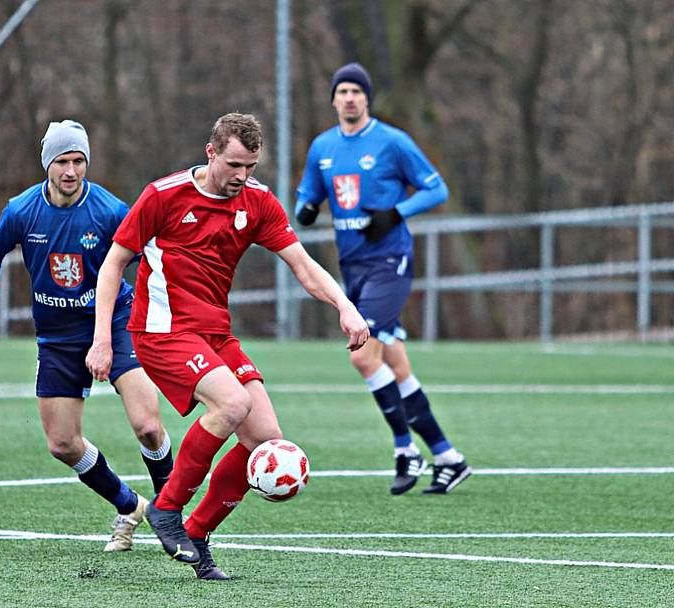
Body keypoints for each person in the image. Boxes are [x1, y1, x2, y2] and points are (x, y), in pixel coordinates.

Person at [86, 113, 369, 580]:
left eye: (251, 167)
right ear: (211, 151)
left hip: (215, 333)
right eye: (235, 164)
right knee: (233, 402)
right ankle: (166, 507)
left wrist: (344, 305)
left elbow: (302, 264)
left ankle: (197, 533)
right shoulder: (164, 196)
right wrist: (102, 340)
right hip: (162, 330)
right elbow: (113, 265)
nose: (242, 176)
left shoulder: (257, 202)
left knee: (267, 438)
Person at [0, 120, 174, 552]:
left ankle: (172, 513)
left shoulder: (111, 210)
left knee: (148, 426)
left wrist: (162, 309)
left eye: (79, 161)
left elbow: (152, 255)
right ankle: (129, 505)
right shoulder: (22, 210)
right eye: (62, 161)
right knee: (61, 443)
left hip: (115, 322)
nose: (71, 170)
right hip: (57, 336)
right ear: (47, 165)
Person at [294, 63, 472, 495]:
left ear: (367, 98)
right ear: (333, 99)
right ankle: (448, 457)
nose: (350, 98)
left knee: (361, 354)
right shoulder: (323, 146)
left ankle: (404, 448)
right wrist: (304, 208)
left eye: (357, 91)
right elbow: (309, 192)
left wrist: (396, 214)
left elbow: (436, 189)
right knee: (394, 362)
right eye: (343, 91)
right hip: (351, 266)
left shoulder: (392, 141)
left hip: (389, 261)